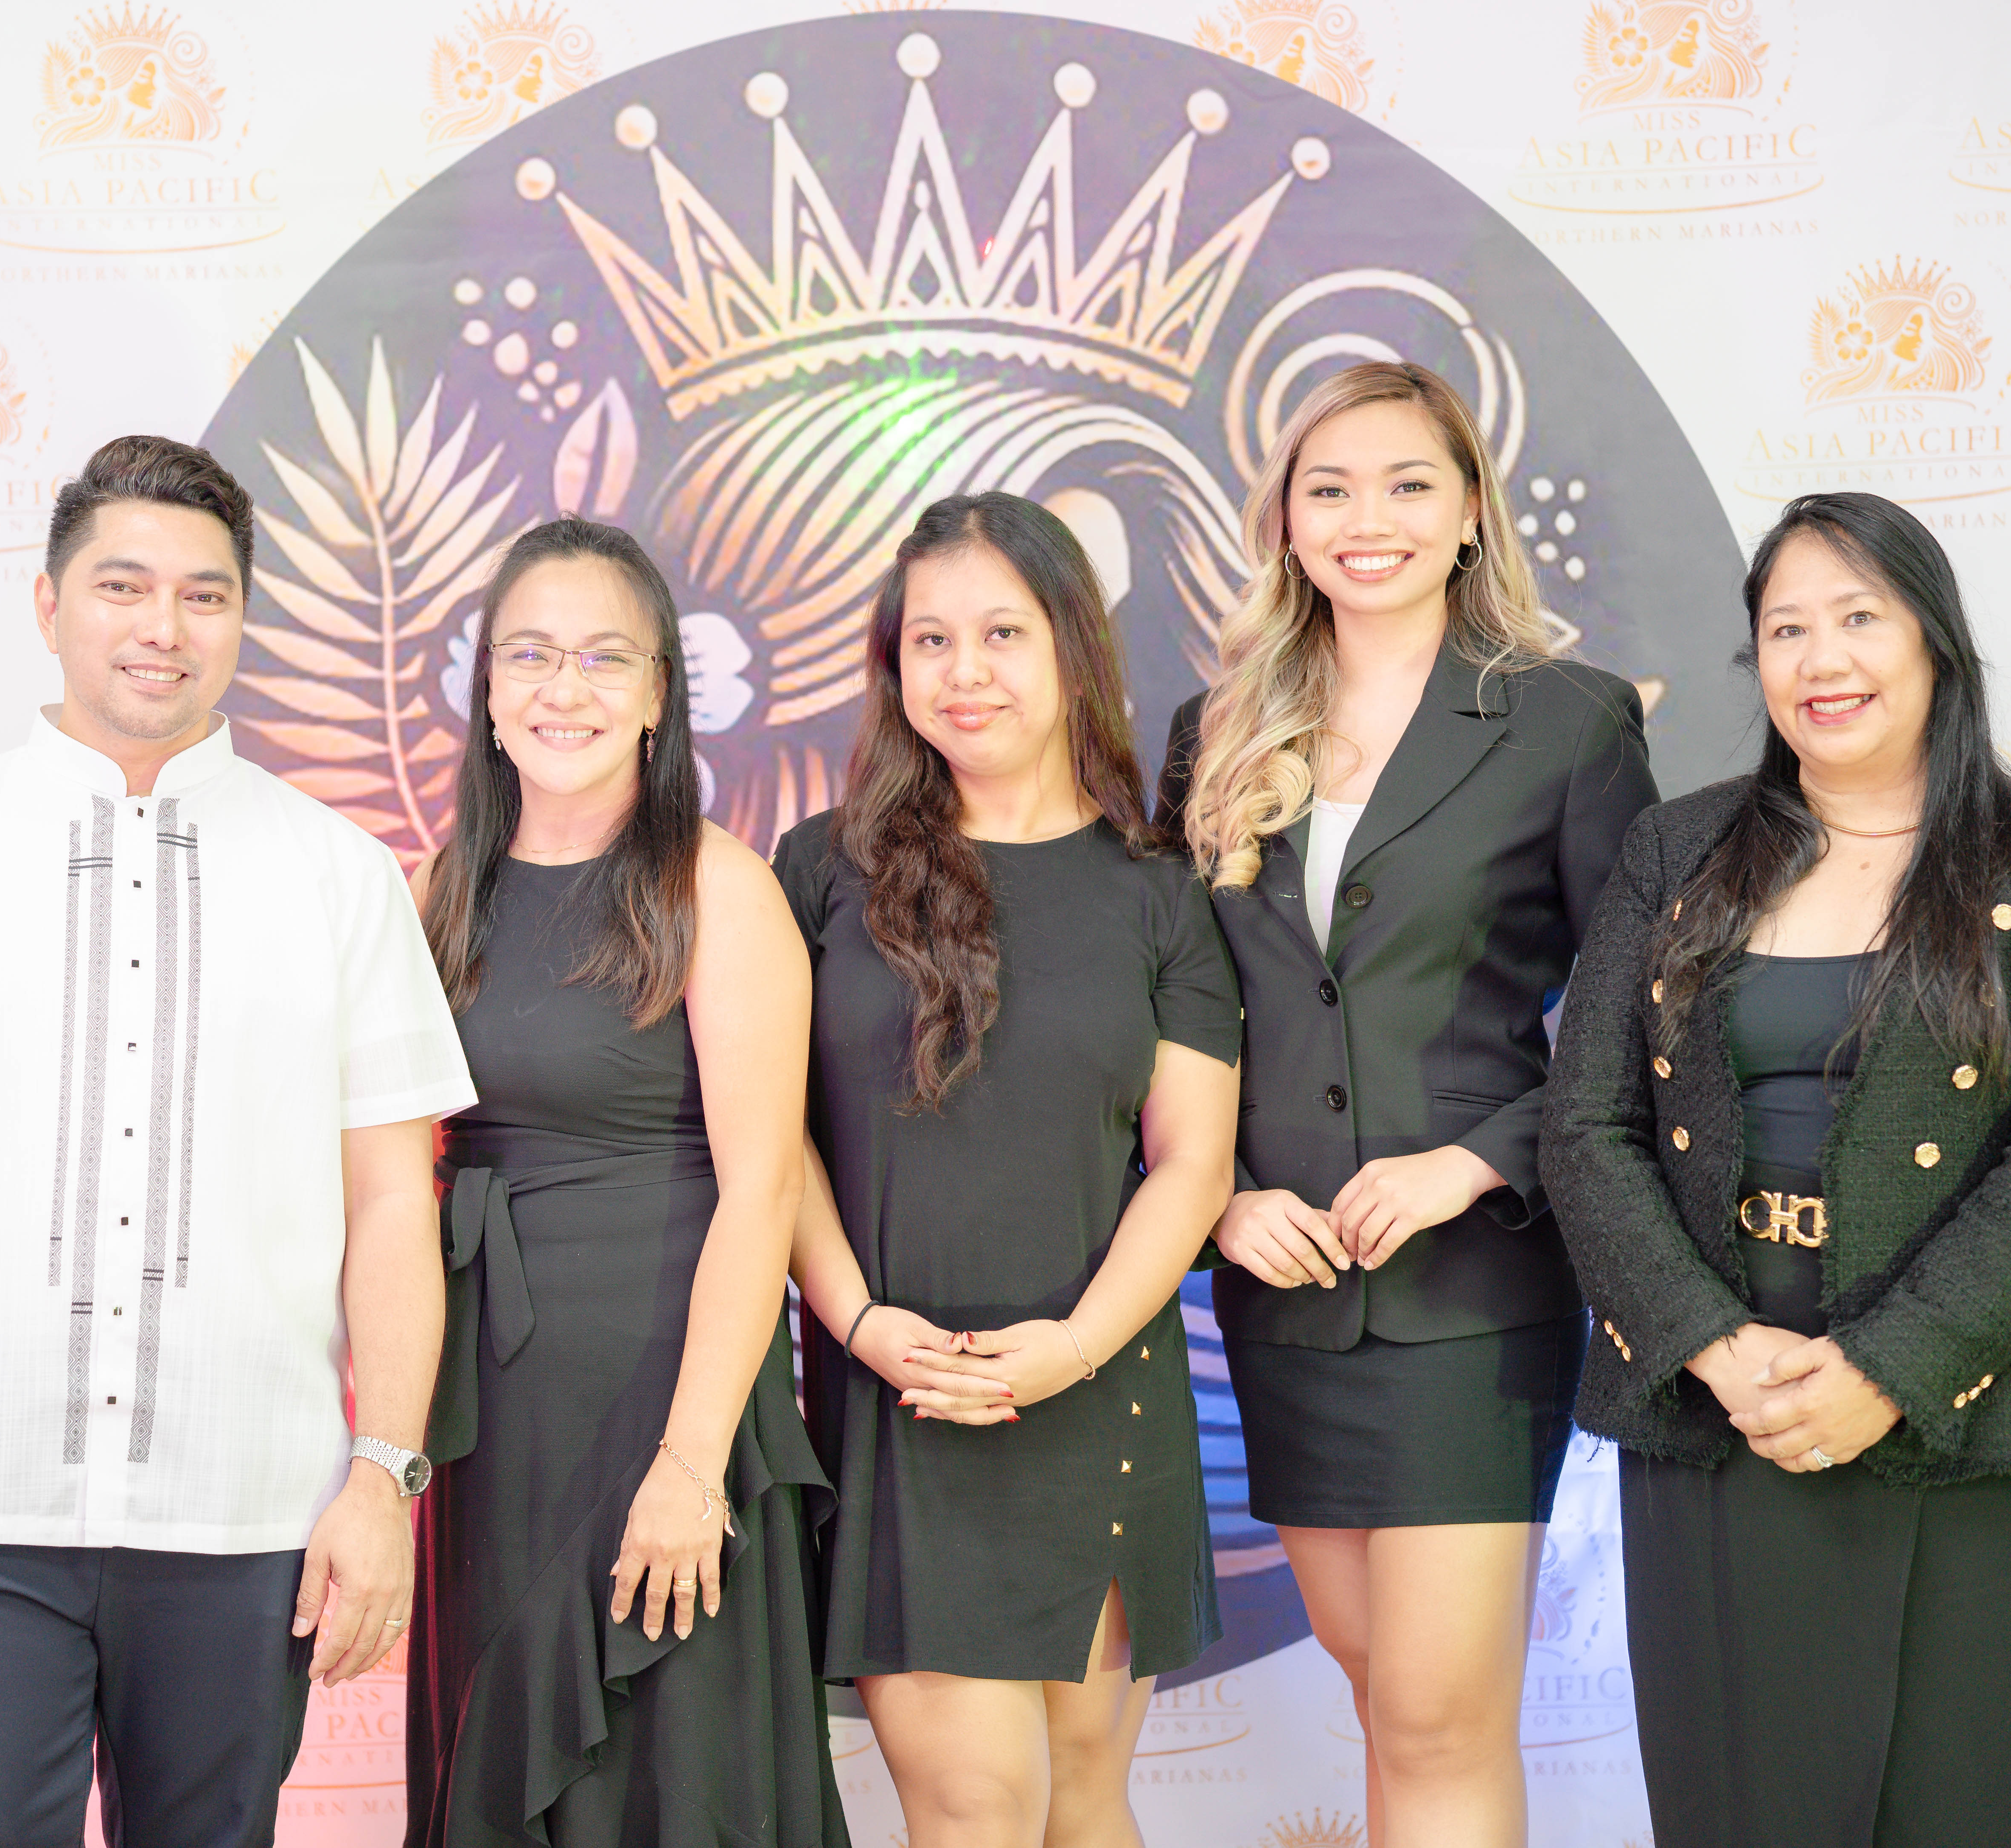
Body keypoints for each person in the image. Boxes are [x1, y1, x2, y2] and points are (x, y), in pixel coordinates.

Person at [0, 435, 474, 1845]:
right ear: (49, 606)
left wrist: (381, 1478)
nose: (163, 628)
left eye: (206, 595)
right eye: (123, 585)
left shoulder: (338, 876)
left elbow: (395, 1204)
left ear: (242, 620)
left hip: (241, 1522)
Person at [1543, 491, 2011, 1847]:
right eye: (1784, 629)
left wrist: (1888, 1366)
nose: (1820, 661)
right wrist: (1708, 1344)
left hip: (1978, 1419)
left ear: (1932, 641)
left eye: (1857, 619)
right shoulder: (1675, 853)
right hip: (1726, 1416)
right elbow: (1584, 1125)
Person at [1156, 361, 1655, 1848]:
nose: (1365, 518)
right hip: (1288, 1294)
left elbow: (1641, 1013)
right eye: (1329, 488)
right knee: (1384, 1694)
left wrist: (1470, 1163)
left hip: (1475, 1288)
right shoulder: (1218, 729)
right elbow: (1174, 1009)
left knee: (1440, 1716)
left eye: (1404, 484)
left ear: (1465, 514)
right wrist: (1222, 1197)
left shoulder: (1565, 723)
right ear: (1285, 522)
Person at [778, 492, 1241, 1848]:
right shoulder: (820, 870)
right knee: (977, 1807)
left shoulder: (1159, 889)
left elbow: (1190, 1162)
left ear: (1073, 650)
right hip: (901, 1396)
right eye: (930, 639)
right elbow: (770, 1144)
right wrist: (857, 1322)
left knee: (1084, 1804)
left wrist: (1074, 1348)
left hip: (1099, 1393)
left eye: (1001, 632)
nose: (963, 671)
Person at [401, 518, 844, 1848]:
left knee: (668, 1768)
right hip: (486, 1409)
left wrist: (691, 1464)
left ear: (660, 692)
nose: (564, 687)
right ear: (486, 689)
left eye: (605, 657)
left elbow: (761, 1191)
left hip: (667, 1398)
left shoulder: (718, 885)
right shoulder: (439, 890)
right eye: (530, 654)